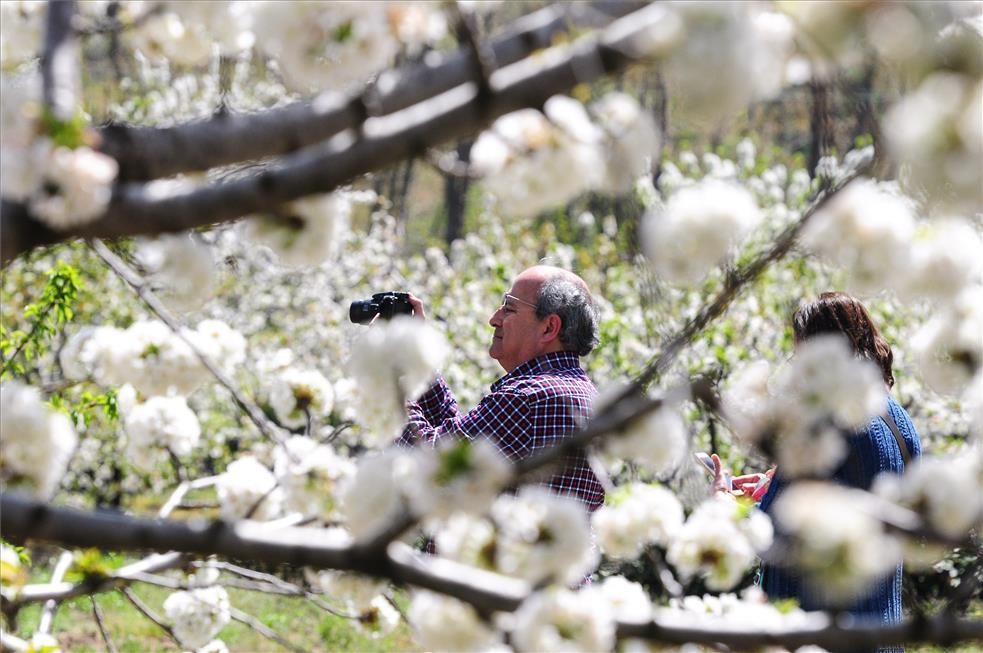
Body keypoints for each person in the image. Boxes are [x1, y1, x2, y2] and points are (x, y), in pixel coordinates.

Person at [716, 291, 921, 653]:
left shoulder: (825, 419)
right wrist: (774, 483)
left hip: (822, 632)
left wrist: (725, 504)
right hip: (882, 631)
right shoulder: (899, 420)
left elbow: (775, 531)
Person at [396, 265, 605, 511]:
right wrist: (418, 359)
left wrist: (390, 376)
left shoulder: (524, 398)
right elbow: (458, 442)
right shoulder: (589, 398)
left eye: (509, 308)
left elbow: (432, 463)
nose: (494, 319)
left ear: (549, 327)